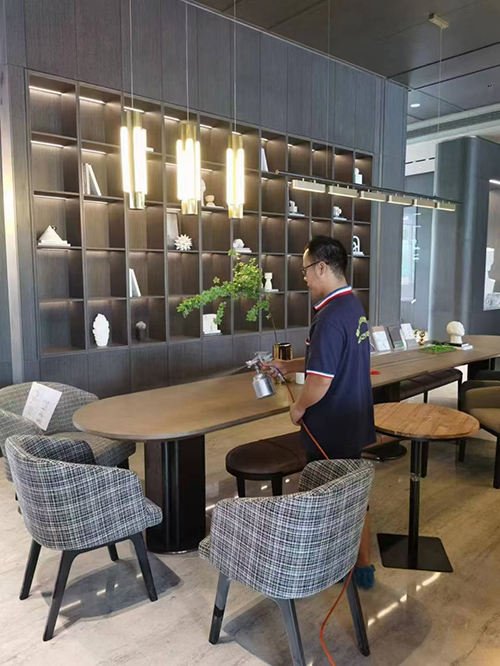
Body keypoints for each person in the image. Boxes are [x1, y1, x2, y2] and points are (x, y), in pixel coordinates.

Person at [264, 235, 376, 589]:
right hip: (354, 419)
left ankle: (341, 566)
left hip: (331, 428)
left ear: (323, 267)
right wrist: (288, 365)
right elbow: (328, 361)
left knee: (333, 499)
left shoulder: (328, 317)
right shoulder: (352, 305)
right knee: (353, 495)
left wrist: (298, 408)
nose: (305, 279)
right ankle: (361, 567)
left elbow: (320, 383)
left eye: (306, 270)